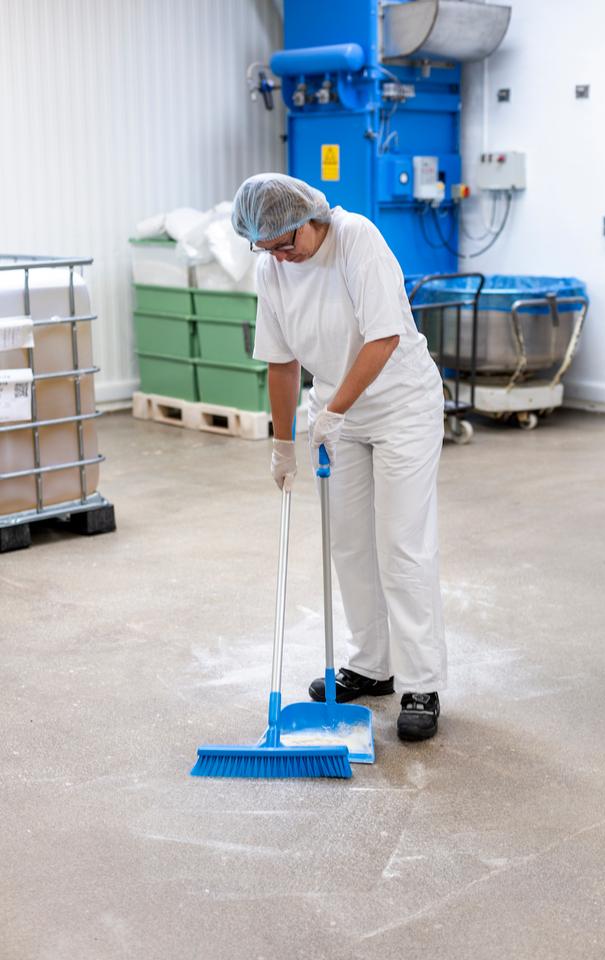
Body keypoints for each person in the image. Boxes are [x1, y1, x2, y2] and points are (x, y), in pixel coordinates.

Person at [231, 173, 446, 742]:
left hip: (400, 405)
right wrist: (282, 442)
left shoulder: (356, 239)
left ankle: (421, 682)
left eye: (285, 243)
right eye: (266, 248)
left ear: (309, 218)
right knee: (348, 541)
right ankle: (372, 665)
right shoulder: (272, 268)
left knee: (401, 543)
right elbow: (281, 361)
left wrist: (334, 411)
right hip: (336, 412)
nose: (280, 256)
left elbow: (383, 338)